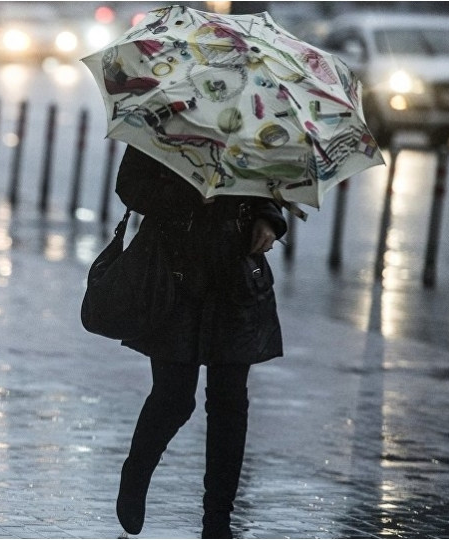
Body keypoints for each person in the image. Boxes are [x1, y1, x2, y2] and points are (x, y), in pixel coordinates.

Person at [113, 145, 288, 538]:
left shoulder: (258, 121)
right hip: (175, 272)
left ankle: (218, 521)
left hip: (236, 274)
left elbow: (272, 184)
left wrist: (269, 220)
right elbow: (130, 185)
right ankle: (136, 471)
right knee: (174, 396)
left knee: (229, 402)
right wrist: (189, 197)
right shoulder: (167, 113)